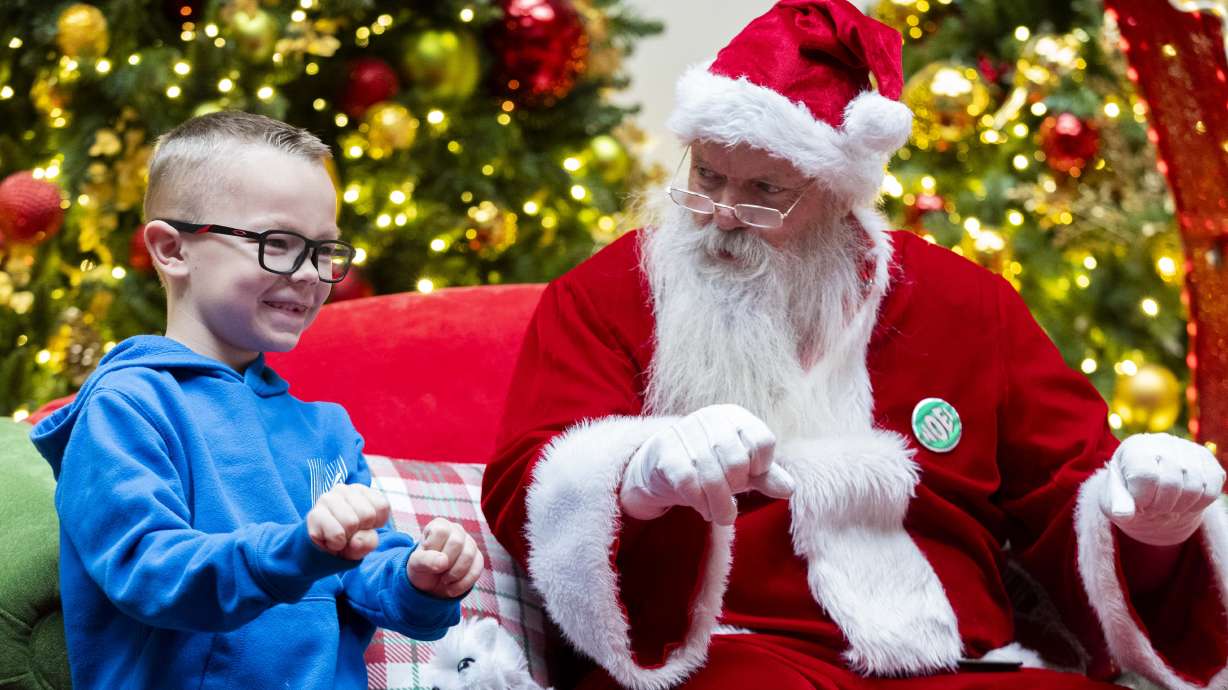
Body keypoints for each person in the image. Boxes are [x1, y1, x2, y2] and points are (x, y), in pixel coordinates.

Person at [481, 2, 1228, 689]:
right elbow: (531, 474)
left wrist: (1149, 523)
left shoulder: (966, 305)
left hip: (961, 663)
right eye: (707, 175)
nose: (723, 214)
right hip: (738, 650)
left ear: (839, 195)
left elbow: (1071, 486)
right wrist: (636, 478)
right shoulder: (608, 294)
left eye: (766, 191)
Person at [29, 111, 484, 689]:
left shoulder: (326, 431)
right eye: (279, 243)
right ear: (172, 250)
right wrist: (300, 551)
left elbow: (367, 571)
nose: (310, 274)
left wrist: (419, 580)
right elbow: (150, 573)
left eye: (323, 250)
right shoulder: (127, 405)